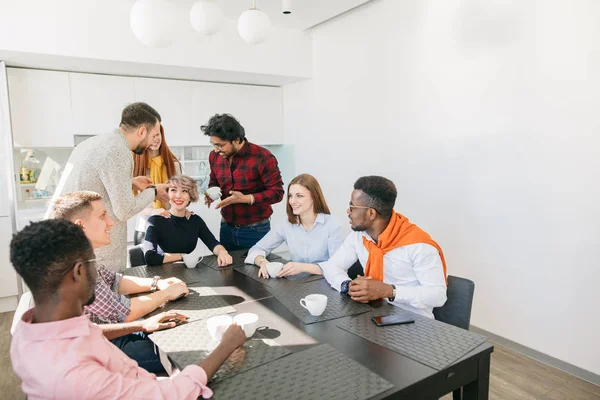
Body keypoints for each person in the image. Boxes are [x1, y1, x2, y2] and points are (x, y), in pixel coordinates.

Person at [10, 219, 246, 399]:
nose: (98, 271)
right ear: (79, 271)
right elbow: (171, 395)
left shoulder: (33, 330)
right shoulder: (73, 376)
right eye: (94, 262)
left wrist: (141, 324)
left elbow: (86, 332)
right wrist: (226, 345)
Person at [47, 191, 190, 373]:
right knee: (185, 352)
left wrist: (156, 283)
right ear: (80, 226)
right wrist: (167, 293)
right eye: (102, 216)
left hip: (109, 333)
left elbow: (115, 280)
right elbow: (124, 313)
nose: (111, 222)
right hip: (99, 349)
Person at [46, 102, 171, 272]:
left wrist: (130, 181)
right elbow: (125, 209)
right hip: (95, 251)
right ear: (142, 131)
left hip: (68, 242)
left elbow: (93, 183)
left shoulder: (94, 143)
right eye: (153, 135)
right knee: (106, 293)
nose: (153, 141)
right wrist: (154, 191)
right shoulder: (118, 151)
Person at [319, 176, 448, 319]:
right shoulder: (358, 237)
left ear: (371, 213)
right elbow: (332, 267)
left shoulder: (419, 246)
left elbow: (437, 295)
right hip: (370, 315)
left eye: (352, 207)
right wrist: (347, 286)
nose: (348, 212)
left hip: (413, 323)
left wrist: (389, 291)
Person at [202, 113, 284, 250]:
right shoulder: (214, 156)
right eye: (213, 144)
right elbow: (214, 180)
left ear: (236, 140)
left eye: (220, 145)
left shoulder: (263, 157)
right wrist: (211, 192)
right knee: (227, 270)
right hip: (226, 228)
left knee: (256, 270)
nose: (216, 150)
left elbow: (277, 193)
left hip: (256, 231)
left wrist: (246, 198)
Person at [245, 174, 344, 279]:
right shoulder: (286, 224)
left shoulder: (332, 225)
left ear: (314, 197)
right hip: (297, 285)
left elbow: (337, 266)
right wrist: (262, 262)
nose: (292, 201)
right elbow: (256, 249)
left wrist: (303, 267)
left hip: (326, 283)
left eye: (299, 196)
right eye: (290, 196)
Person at [144, 175, 233, 268]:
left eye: (184, 191)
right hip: (161, 276)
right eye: (173, 190)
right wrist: (183, 256)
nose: (178, 196)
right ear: (167, 194)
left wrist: (222, 252)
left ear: (191, 196)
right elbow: (150, 257)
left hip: (188, 273)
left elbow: (212, 243)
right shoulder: (155, 220)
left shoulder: (195, 221)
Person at [133, 124, 182, 245]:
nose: (156, 139)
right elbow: (130, 203)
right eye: (151, 135)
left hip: (171, 226)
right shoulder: (134, 167)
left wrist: (181, 208)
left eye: (158, 134)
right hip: (145, 228)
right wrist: (153, 212)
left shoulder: (173, 165)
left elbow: (181, 195)